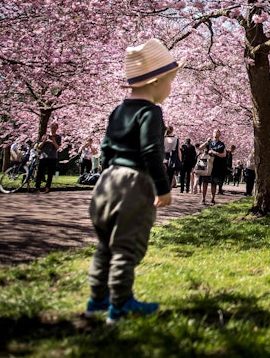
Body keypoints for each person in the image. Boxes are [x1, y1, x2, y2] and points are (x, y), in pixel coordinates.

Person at [85, 37, 181, 324]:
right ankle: (121, 305)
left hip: (108, 182)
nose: (170, 88)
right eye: (169, 81)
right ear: (155, 82)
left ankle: (97, 299)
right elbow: (152, 151)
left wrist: (106, 174)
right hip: (133, 184)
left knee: (105, 246)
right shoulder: (151, 112)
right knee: (126, 247)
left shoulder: (118, 111)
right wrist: (162, 188)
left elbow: (105, 147)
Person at [34, 122, 62, 193]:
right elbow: (39, 146)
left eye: (55, 128)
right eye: (52, 128)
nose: (53, 129)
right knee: (40, 172)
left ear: (57, 129)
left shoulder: (58, 137)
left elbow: (57, 147)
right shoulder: (45, 136)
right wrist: (44, 141)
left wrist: (53, 140)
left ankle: (47, 187)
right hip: (43, 156)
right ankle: (37, 187)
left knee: (50, 173)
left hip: (52, 157)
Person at [201, 129, 226, 205]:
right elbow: (200, 148)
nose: (216, 133)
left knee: (214, 183)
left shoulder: (221, 144)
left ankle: (212, 199)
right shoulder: (209, 143)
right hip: (207, 164)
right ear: (212, 133)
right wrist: (206, 142)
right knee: (205, 182)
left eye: (218, 132)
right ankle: (203, 198)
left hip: (216, 165)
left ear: (220, 134)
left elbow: (224, 155)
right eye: (215, 131)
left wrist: (215, 152)